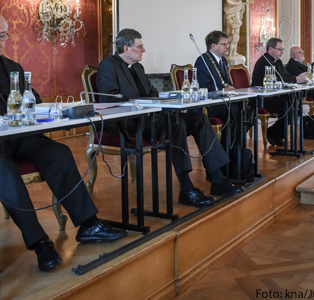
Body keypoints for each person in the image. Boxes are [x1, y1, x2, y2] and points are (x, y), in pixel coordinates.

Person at [0, 11, 128, 273]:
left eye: (3, 36)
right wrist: (5, 113)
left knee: (58, 152)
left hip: (14, 138)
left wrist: (40, 110)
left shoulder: (12, 67)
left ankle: (88, 224)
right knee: (3, 167)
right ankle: (39, 242)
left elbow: (33, 102)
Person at [97, 28, 241, 208]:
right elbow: (110, 100)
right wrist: (147, 104)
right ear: (126, 48)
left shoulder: (139, 68)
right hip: (128, 123)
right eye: (140, 47)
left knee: (199, 119)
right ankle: (186, 188)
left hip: (150, 119)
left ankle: (218, 179)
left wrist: (173, 101)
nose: (144, 50)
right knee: (176, 124)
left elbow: (153, 94)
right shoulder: (108, 66)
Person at [251, 38, 306, 146]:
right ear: (271, 49)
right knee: (290, 108)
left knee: (295, 108)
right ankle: (274, 133)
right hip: (264, 98)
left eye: (283, 49)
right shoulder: (264, 62)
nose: (283, 52)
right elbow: (276, 80)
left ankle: (276, 133)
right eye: (280, 49)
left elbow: (286, 76)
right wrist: (296, 80)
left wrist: (297, 78)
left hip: (276, 96)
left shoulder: (278, 62)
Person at [195, 30, 236, 122]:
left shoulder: (223, 60)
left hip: (223, 101)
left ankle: (234, 136)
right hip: (211, 104)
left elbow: (226, 81)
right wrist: (222, 91)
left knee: (247, 111)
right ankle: (229, 136)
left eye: (227, 44)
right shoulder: (202, 61)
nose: (227, 47)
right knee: (236, 110)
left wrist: (230, 87)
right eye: (224, 44)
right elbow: (203, 87)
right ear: (213, 45)